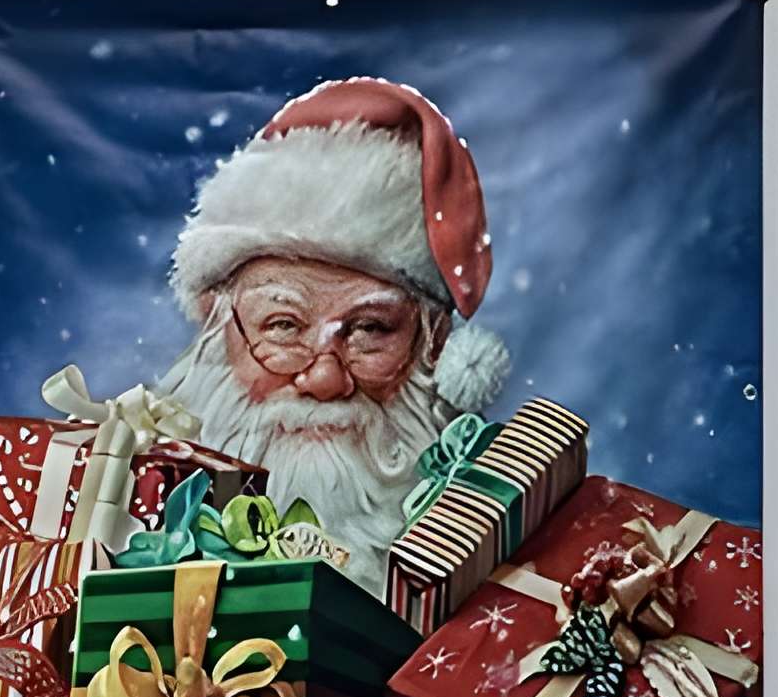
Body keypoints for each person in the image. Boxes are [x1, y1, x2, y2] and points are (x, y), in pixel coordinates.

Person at [145, 76, 516, 570]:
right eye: (282, 326)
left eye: (369, 330)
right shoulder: (114, 518)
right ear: (218, 327)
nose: (323, 379)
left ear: (437, 346)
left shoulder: (504, 559)